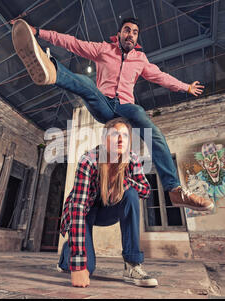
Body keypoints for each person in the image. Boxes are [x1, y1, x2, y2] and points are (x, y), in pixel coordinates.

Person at [11, 17, 214, 212]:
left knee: (150, 127)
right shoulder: (103, 50)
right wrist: (37, 32)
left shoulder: (141, 60)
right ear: (119, 34)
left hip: (126, 109)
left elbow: (160, 77)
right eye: (127, 30)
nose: (131, 35)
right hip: (104, 105)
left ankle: (175, 190)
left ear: (137, 38)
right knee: (88, 85)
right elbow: (72, 43)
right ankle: (52, 70)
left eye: (135, 33)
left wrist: (184, 87)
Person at [57, 117, 157, 288]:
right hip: (84, 212)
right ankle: (68, 253)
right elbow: (78, 208)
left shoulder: (132, 160)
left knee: (131, 194)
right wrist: (79, 266)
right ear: (104, 139)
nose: (120, 139)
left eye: (125, 135)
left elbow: (146, 191)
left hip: (108, 211)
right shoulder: (88, 160)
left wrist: (124, 182)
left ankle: (132, 264)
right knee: (88, 267)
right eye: (115, 134)